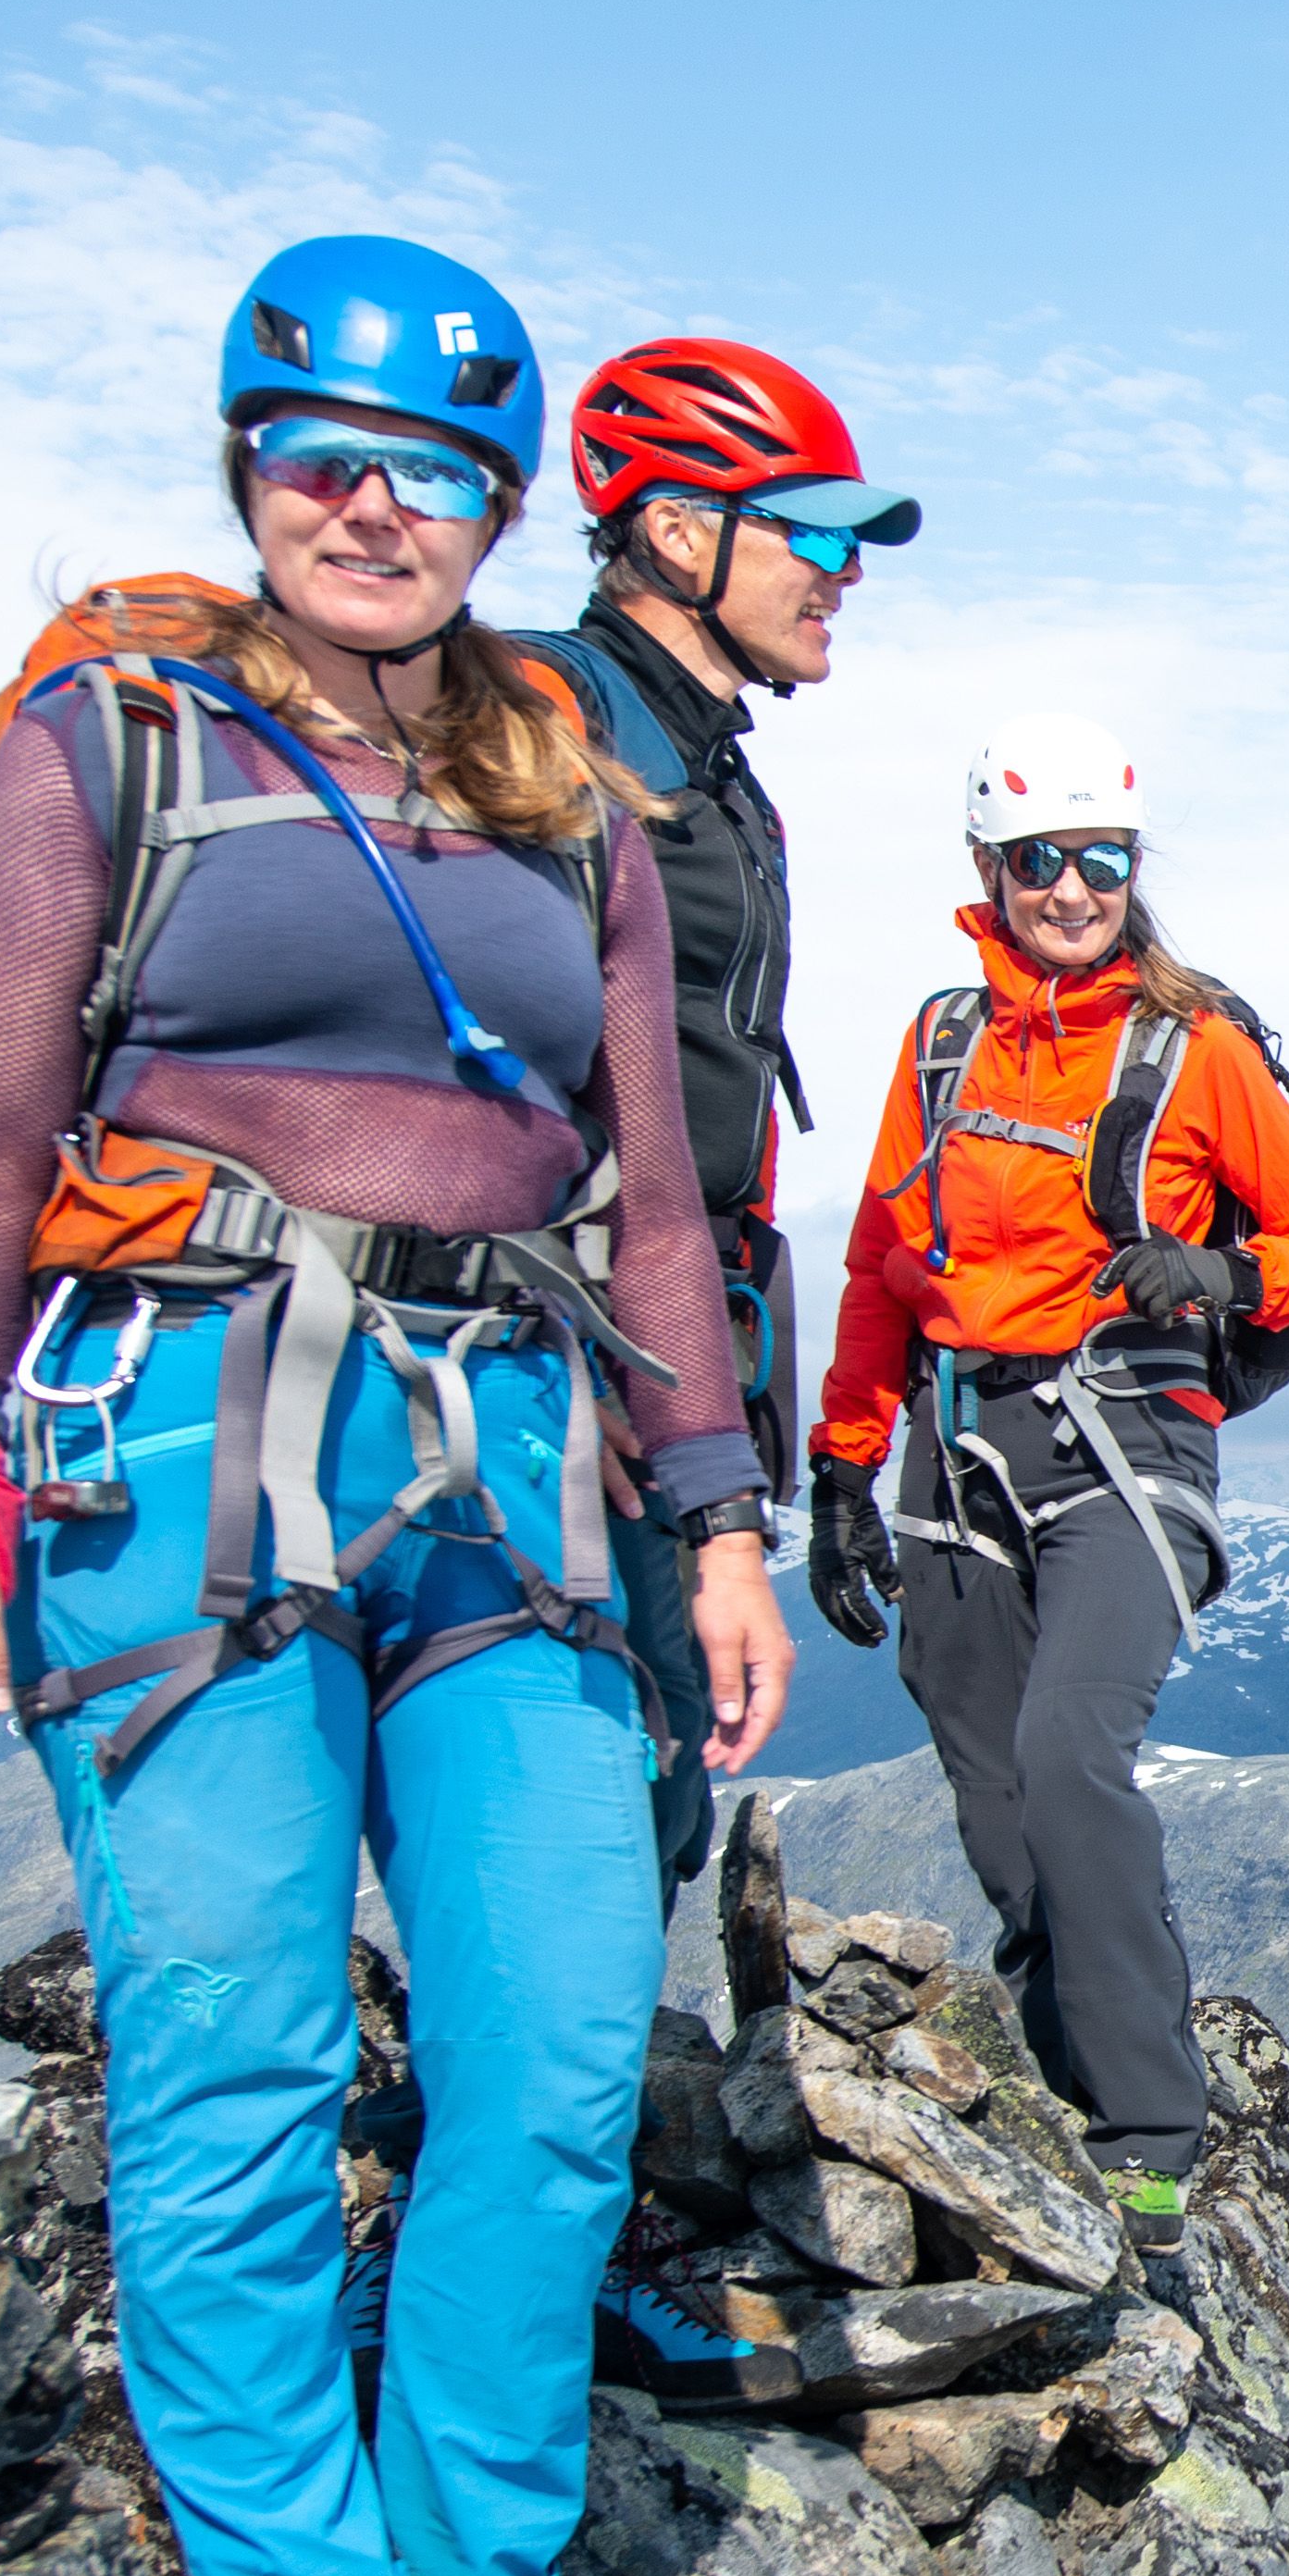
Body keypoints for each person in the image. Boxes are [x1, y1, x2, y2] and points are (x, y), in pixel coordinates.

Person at [0, 229, 793, 2576]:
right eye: (322, 460)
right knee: (231, 2063)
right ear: (246, 463)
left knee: (565, 2042)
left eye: (436, 472)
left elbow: (655, 1188)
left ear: (502, 501)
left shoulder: (559, 790)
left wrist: (715, 1512)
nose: (375, 508)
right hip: (180, 1449)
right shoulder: (111, 733)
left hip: (509, 1456)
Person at [802, 722, 1289, 2311]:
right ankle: (1059, 2074)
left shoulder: (1195, 1053)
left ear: (1133, 871)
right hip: (954, 1451)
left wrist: (1227, 1274)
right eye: (1039, 861)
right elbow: (877, 1269)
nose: (1070, 889)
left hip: (1127, 1445)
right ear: (990, 870)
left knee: (1069, 1757)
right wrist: (843, 1464)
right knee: (996, 1802)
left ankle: (1146, 2145)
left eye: (1099, 861)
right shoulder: (938, 1045)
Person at [508, 338, 913, 1900]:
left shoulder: (710, 764)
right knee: (613, 1762)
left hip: (691, 1330)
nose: (842, 575)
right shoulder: (551, 722)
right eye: (811, 533)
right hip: (586, 1354)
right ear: (680, 532)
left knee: (657, 1771)